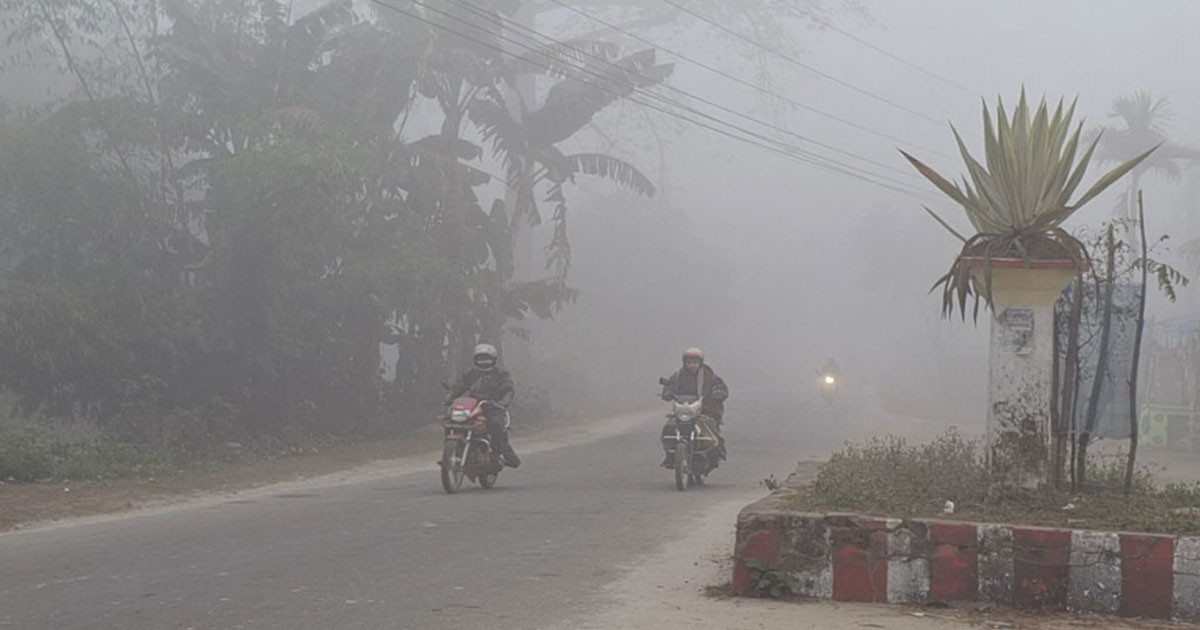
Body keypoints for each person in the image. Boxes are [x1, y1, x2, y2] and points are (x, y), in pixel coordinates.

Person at [446, 343, 520, 468]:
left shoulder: (501, 375)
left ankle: (495, 455)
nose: (484, 361)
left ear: (494, 360)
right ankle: (454, 451)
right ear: (475, 360)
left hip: (493, 407)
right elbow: (460, 387)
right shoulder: (471, 374)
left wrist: (502, 403)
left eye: (487, 358)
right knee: (451, 421)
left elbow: (508, 390)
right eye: (480, 359)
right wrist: (450, 398)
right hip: (473, 406)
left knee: (495, 424)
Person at [659, 347, 729, 466]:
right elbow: (670, 386)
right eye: (689, 362)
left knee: (710, 428)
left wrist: (718, 393)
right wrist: (667, 393)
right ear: (684, 363)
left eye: (695, 362)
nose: (692, 365)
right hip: (684, 410)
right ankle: (671, 454)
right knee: (669, 427)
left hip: (706, 410)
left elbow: (721, 387)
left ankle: (714, 455)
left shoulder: (709, 375)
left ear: (700, 363)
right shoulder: (678, 376)